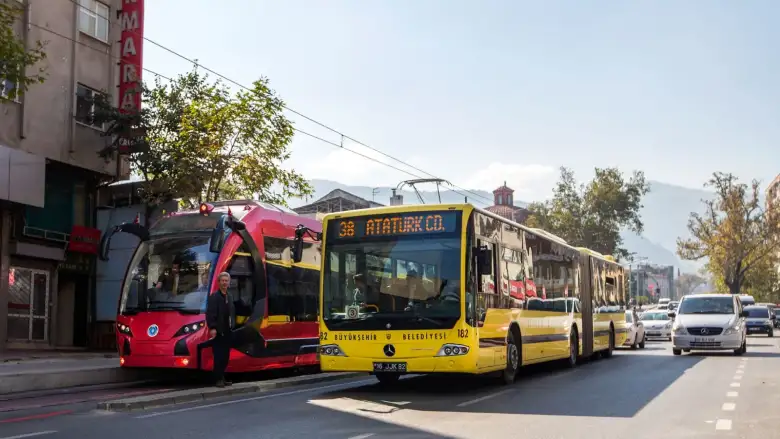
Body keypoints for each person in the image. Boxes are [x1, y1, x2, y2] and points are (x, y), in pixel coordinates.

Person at [206, 271, 235, 387]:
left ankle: (222, 377)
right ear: (219, 282)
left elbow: (232, 311)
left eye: (226, 281)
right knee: (218, 356)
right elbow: (211, 313)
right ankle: (218, 379)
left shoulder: (230, 296)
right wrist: (212, 328)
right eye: (222, 281)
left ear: (229, 283)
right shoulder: (214, 297)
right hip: (218, 331)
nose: (224, 283)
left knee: (226, 357)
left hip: (228, 330)